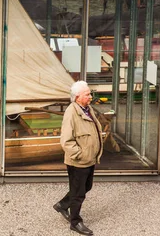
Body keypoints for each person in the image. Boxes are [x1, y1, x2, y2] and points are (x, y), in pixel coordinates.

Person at [53, 80, 103, 236]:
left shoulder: (87, 109)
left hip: (89, 159)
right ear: (77, 97)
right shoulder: (71, 113)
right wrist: (80, 155)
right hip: (79, 161)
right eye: (87, 94)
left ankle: (62, 204)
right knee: (79, 192)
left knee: (86, 187)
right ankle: (75, 222)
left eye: (89, 93)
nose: (90, 96)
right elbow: (66, 141)